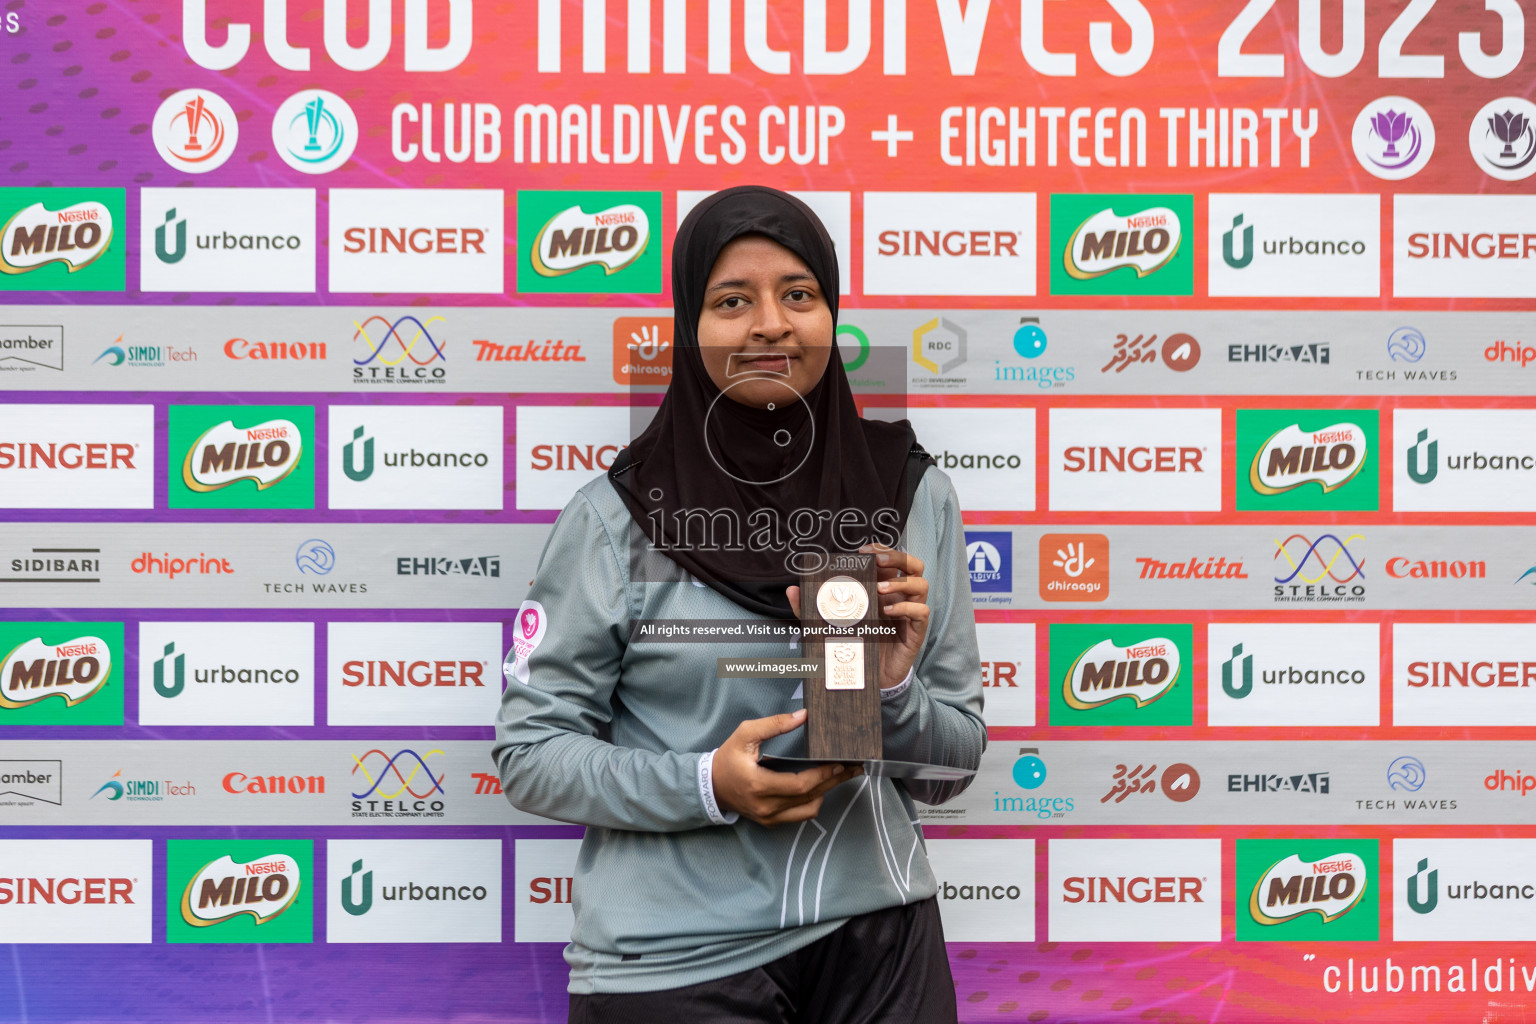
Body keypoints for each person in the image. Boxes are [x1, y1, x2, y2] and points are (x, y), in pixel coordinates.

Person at [493, 185, 985, 1023]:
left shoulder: (904, 495)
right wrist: (704, 784)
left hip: (879, 946)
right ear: (692, 326)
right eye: (732, 301)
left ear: (832, 313)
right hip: (672, 962)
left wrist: (893, 692)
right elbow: (531, 753)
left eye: (799, 294)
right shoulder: (616, 519)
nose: (770, 324)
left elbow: (949, 770)